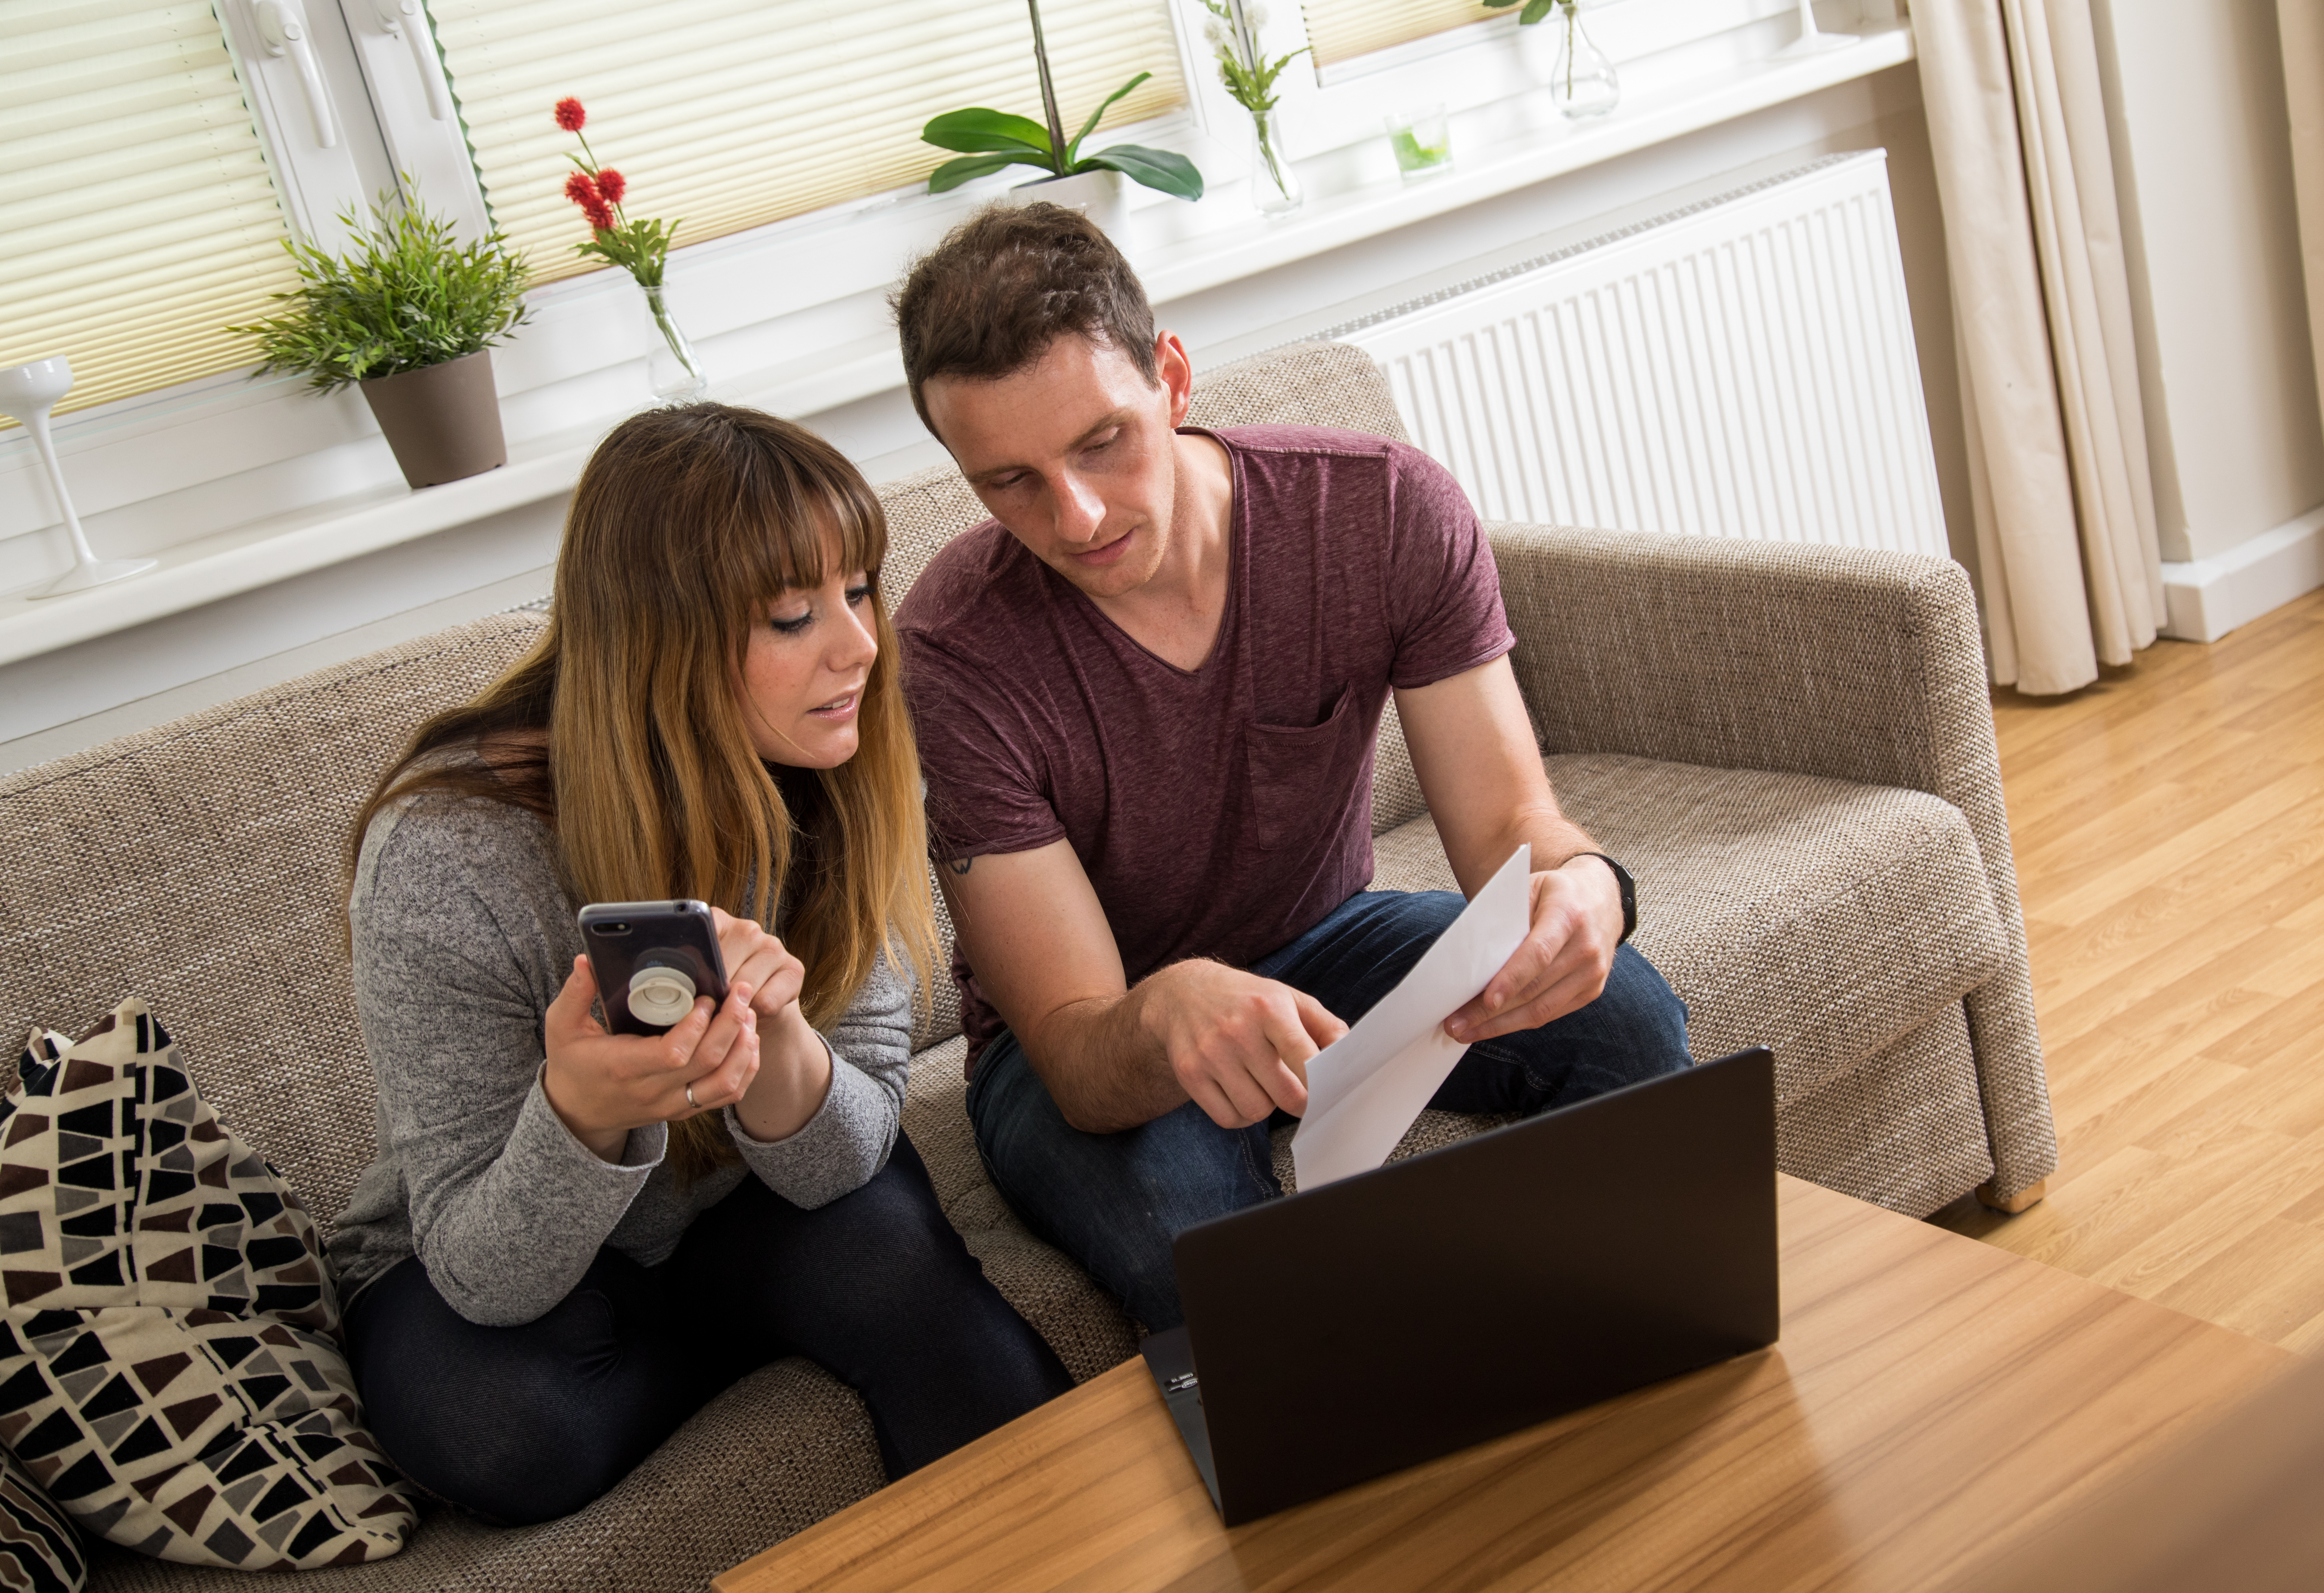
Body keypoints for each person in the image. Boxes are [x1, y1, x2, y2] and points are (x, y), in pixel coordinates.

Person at [892, 204, 1696, 1333]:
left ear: (1172, 379)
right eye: (1010, 481)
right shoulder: (956, 652)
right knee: (1200, 1229)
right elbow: (1075, 1049)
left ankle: (1613, 1359)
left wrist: (1588, 888)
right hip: (1097, 1030)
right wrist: (1167, 1007)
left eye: (1101, 442)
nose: (1074, 518)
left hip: (1326, 944)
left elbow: (1514, 823)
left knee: (1628, 1021)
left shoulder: (1376, 511)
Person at [332, 404, 1073, 1525]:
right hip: (515, 1264)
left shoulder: (843, 761)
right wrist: (579, 1112)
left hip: (751, 1214)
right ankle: (734, 1338)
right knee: (500, 1431)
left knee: (886, 1257)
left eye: (858, 591)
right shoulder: (451, 854)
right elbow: (486, 1275)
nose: (858, 647)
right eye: (791, 616)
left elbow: (847, 1156)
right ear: (659, 640)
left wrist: (779, 1045)